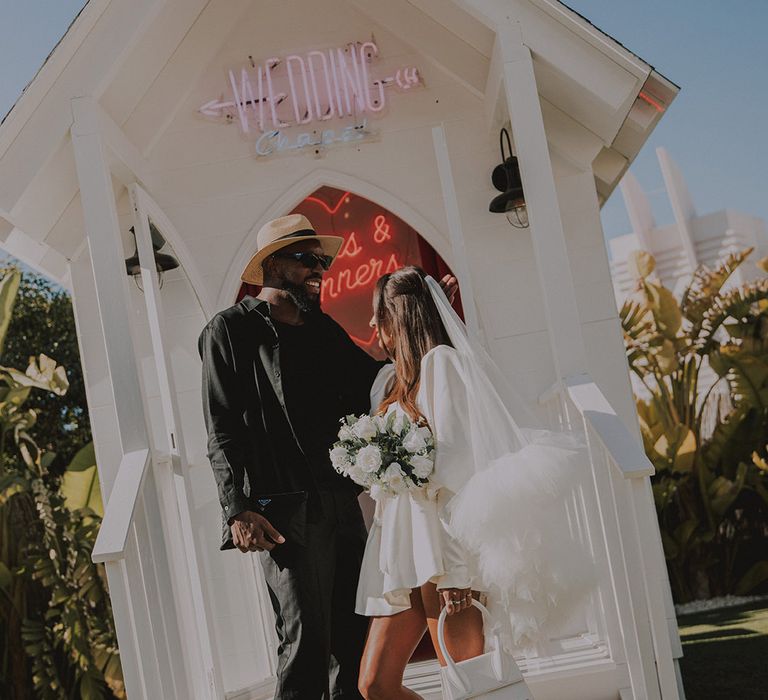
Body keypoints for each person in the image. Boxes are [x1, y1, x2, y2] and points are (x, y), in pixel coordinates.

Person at [198, 215, 457, 699]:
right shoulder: (228, 331)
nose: (320, 269)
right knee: (304, 642)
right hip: (285, 515)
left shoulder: (323, 330)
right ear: (273, 266)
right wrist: (238, 509)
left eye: (324, 261)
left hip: (341, 506)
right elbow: (222, 428)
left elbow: (377, 383)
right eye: (306, 260)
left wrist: (430, 315)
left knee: (352, 641)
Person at [354, 267, 589, 699]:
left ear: (399, 316)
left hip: (445, 557)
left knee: (471, 686)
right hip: (406, 554)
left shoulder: (442, 365)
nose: (371, 326)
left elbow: (462, 474)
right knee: (375, 685)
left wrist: (458, 577)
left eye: (378, 315)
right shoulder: (392, 382)